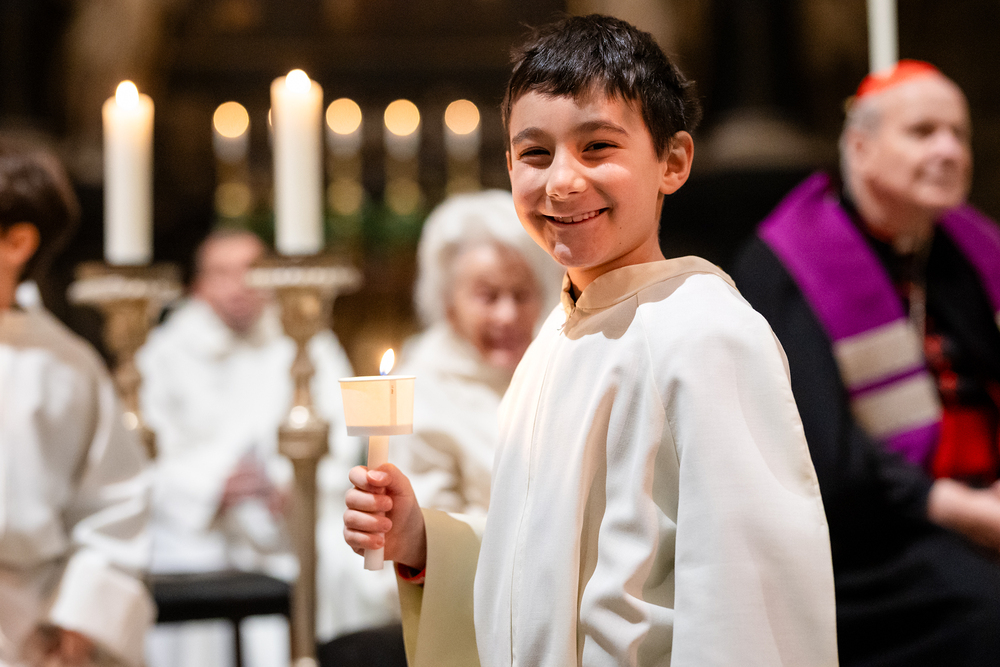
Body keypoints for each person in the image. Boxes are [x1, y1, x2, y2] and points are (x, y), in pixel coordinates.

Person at [344, 15, 838, 667]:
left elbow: (750, 599)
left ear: (672, 162)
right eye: (535, 154)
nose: (561, 182)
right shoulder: (553, 338)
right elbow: (543, 569)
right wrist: (422, 541)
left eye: (597, 146)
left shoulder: (707, 334)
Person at [733, 60, 1000, 666]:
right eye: (923, 131)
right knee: (987, 611)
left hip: (977, 504)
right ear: (860, 147)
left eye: (958, 134)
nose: (949, 150)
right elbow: (821, 454)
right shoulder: (790, 263)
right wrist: (961, 508)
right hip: (870, 541)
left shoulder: (968, 247)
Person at [138, 230, 396, 667]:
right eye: (222, 273)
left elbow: (340, 437)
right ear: (198, 284)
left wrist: (288, 484)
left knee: (347, 567)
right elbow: (144, 456)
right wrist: (214, 485)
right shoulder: (165, 351)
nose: (238, 286)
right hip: (202, 529)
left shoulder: (307, 340)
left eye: (249, 272)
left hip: (287, 525)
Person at [0, 136, 154, 667]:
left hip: (24, 623)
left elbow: (115, 502)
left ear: (16, 243)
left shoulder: (65, 366)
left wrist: (81, 616)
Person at [392, 189, 562, 516]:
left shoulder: (555, 367)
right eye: (488, 296)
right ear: (448, 304)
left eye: (521, 294)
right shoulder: (420, 390)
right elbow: (429, 530)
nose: (507, 315)